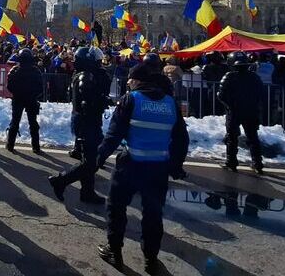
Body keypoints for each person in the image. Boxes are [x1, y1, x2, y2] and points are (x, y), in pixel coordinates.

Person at [94, 63, 190, 273]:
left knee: (116, 208)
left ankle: (114, 250)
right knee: (153, 214)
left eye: (130, 79)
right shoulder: (170, 103)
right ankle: (151, 259)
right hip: (158, 169)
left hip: (130, 165)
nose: (128, 83)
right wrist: (175, 166)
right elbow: (181, 138)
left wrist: (98, 158)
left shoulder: (131, 99)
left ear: (138, 81)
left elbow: (113, 135)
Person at [49, 47, 111, 204]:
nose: (99, 63)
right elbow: (87, 103)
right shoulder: (85, 77)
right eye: (96, 60)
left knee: (88, 158)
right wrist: (101, 101)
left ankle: (87, 192)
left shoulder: (86, 75)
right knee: (91, 162)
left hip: (87, 121)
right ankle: (60, 181)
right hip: (86, 122)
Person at [217, 52, 264, 174]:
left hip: (234, 112)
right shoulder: (254, 77)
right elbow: (261, 93)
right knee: (253, 137)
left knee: (232, 137)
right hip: (250, 111)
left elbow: (220, 95)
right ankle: (257, 163)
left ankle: (231, 161)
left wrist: (230, 105)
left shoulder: (229, 76)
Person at [5, 48, 43, 153]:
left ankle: (10, 145)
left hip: (18, 99)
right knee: (33, 123)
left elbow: (9, 86)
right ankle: (36, 147)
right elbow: (40, 88)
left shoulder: (14, 70)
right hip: (31, 99)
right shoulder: (36, 71)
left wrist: (17, 93)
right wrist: (33, 95)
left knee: (15, 122)